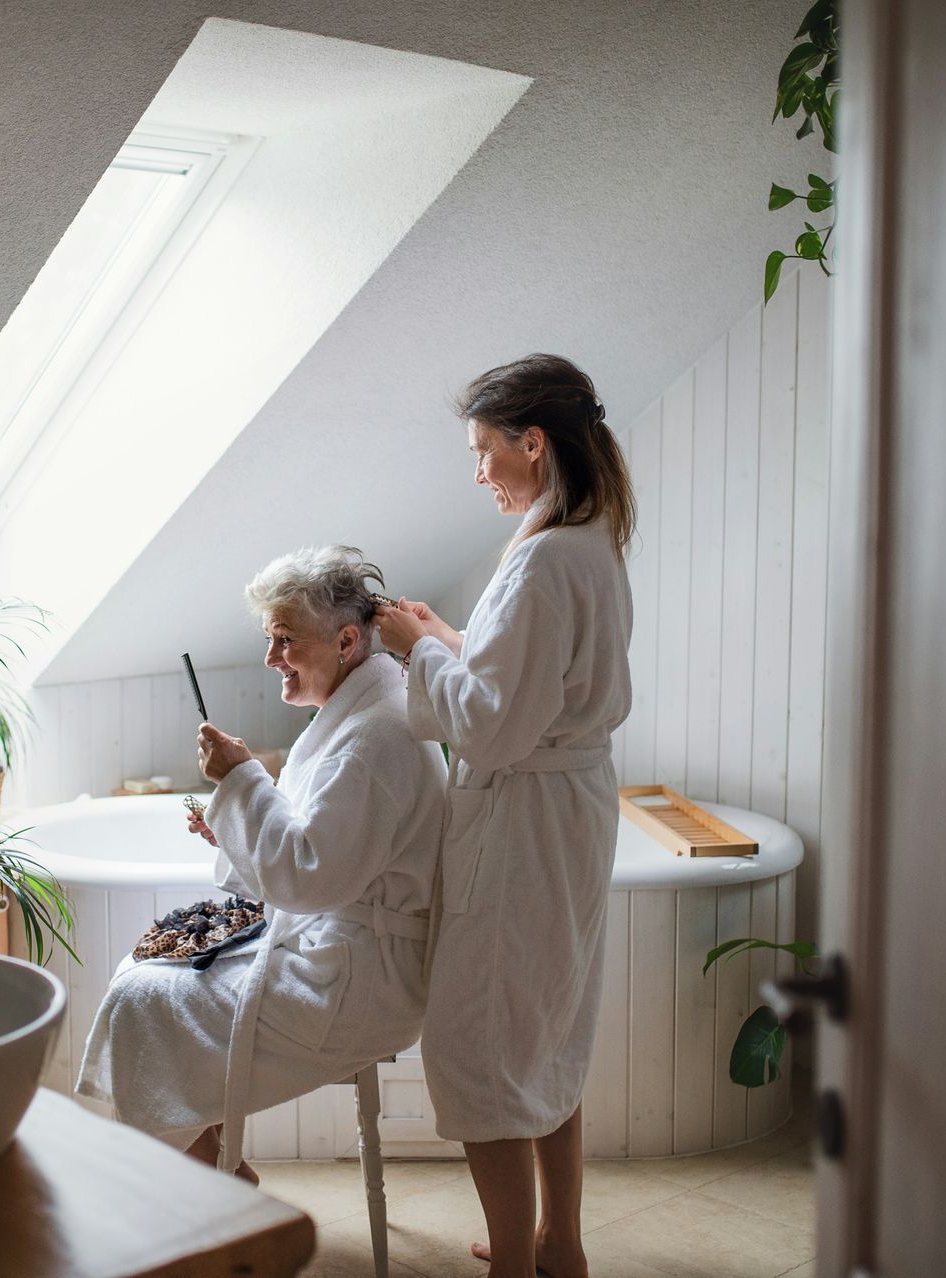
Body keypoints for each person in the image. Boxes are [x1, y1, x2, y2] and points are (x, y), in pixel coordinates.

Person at [374, 354, 635, 1278]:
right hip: (573, 806)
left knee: (483, 1048)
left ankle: (514, 1270)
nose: (477, 470)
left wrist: (412, 653)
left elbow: (490, 726)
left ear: (533, 443)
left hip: (524, 822)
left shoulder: (540, 562)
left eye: (485, 451)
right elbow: (527, 682)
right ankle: (558, 1241)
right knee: (549, 1026)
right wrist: (448, 637)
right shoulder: (589, 536)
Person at [76, 546, 446, 1180]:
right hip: (336, 947)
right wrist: (233, 823)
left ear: (346, 641)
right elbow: (320, 847)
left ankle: (217, 1181)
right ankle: (218, 1166)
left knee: (143, 999)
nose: (271, 658)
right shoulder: (359, 712)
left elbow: (306, 874)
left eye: (284, 640)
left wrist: (243, 780)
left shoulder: (376, 736)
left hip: (356, 983)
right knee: (147, 971)